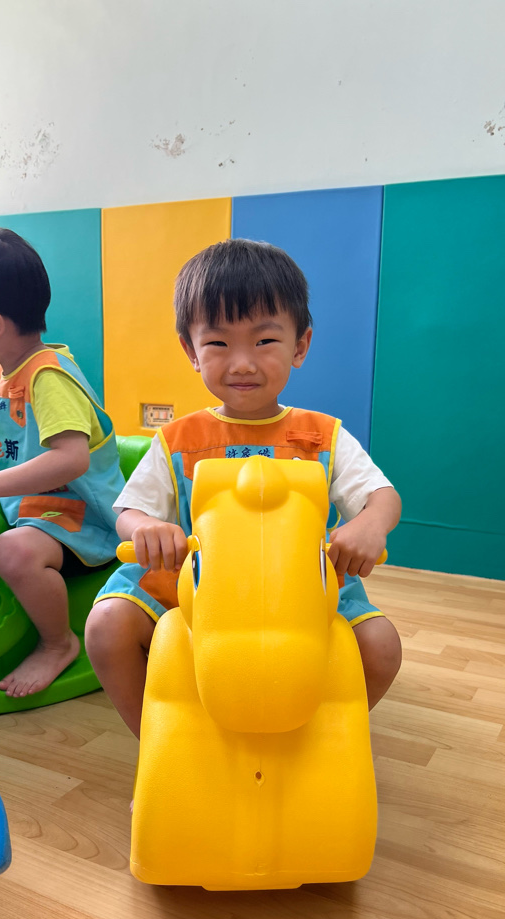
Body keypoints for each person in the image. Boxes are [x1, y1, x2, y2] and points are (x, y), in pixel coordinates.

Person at [85, 238, 402, 739]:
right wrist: (146, 528)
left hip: (307, 586)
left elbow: (382, 497)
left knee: (381, 647)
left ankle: (312, 741)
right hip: (192, 582)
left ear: (300, 346)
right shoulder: (177, 440)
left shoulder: (323, 436)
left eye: (264, 341)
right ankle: (161, 743)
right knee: (106, 627)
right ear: (191, 351)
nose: (242, 363)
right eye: (218, 344)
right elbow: (129, 510)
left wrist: (368, 526)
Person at [0, 226, 125, 699]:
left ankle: (58, 643)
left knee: (12, 552)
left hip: (81, 517)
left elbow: (71, 459)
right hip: (33, 508)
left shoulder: (47, 378)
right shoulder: (2, 372)